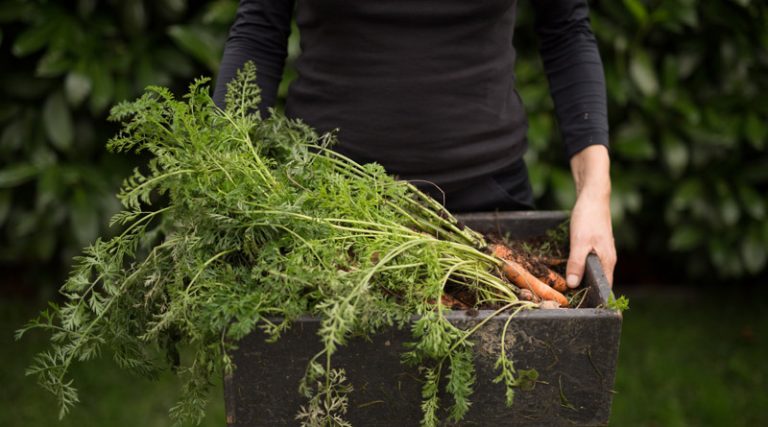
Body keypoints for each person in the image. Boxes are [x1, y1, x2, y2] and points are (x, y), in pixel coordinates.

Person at [212, 0, 616, 288]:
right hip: (328, 213)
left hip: (489, 204)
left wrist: (595, 191)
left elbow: (566, 32)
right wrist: (225, 176)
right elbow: (258, 32)